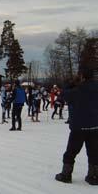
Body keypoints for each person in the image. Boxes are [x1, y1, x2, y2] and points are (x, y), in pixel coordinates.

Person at [55, 43, 98, 185]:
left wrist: (69, 84)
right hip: (95, 126)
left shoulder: (77, 90)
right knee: (94, 153)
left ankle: (66, 174)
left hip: (78, 127)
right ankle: (94, 176)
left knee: (71, 152)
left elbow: (63, 96)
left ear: (82, 76)